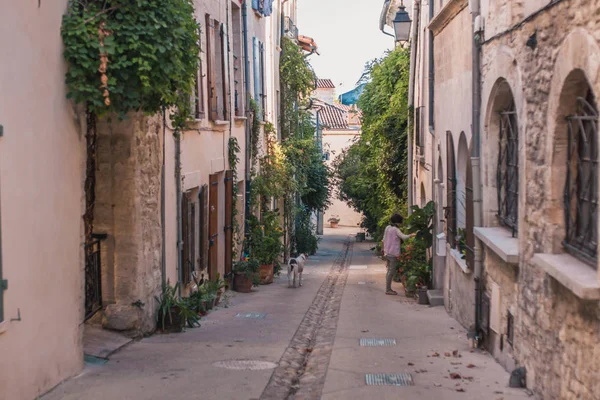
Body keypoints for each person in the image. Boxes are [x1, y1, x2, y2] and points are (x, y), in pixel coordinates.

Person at [382, 213, 415, 295]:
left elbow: (383, 239)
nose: (401, 224)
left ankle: (388, 288)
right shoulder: (396, 230)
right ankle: (388, 289)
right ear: (397, 222)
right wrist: (412, 235)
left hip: (387, 252)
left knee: (389, 271)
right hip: (393, 253)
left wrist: (383, 249)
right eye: (400, 222)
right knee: (391, 272)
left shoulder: (387, 228)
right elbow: (404, 237)